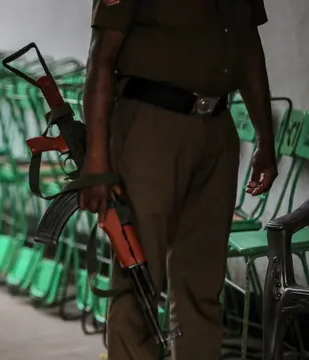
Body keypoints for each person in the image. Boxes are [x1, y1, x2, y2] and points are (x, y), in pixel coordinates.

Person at [79, 0, 278, 359]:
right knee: (139, 274)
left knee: (201, 281)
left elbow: (250, 50)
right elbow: (101, 58)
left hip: (217, 128)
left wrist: (266, 138)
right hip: (150, 127)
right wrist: (96, 159)